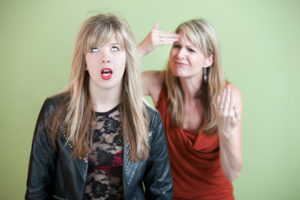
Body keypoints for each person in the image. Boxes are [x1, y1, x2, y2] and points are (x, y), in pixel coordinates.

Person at [25, 14, 173, 200]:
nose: (105, 58)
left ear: (127, 58)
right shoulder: (55, 111)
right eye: (95, 49)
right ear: (84, 61)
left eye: (115, 48)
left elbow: (161, 193)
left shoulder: (149, 119)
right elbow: (36, 191)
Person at [138, 19, 243, 199]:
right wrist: (140, 49)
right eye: (177, 46)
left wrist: (226, 131)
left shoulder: (228, 95)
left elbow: (232, 173)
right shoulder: (158, 84)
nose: (179, 55)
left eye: (191, 50)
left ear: (208, 60)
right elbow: (109, 84)